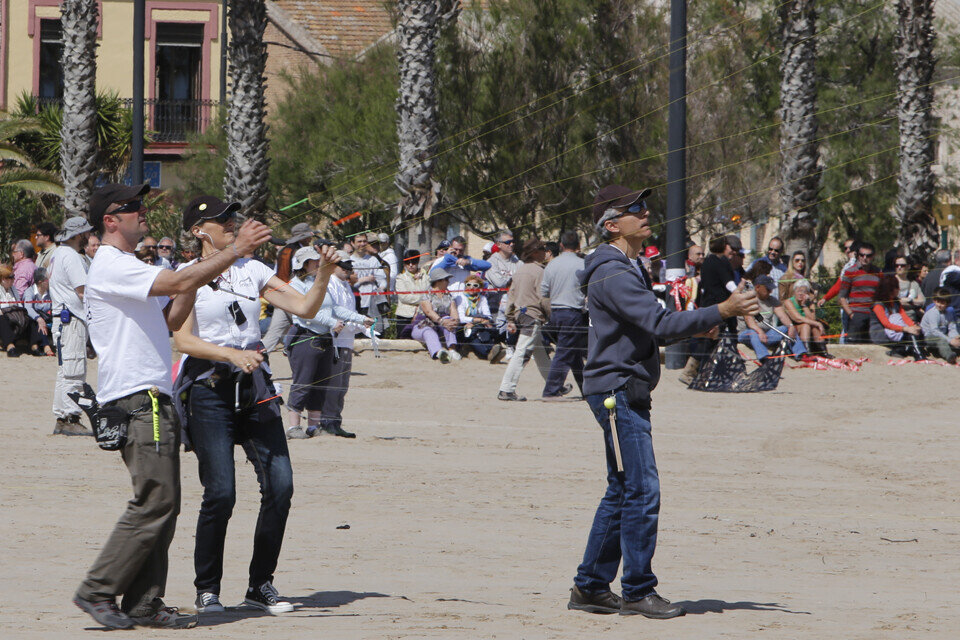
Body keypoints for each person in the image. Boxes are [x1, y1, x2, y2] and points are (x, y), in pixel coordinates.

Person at [73, 182, 271, 631]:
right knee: (155, 500)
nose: (143, 212)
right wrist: (229, 252)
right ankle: (98, 589)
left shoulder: (129, 265)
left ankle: (143, 602)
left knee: (165, 502)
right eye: (134, 207)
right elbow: (178, 282)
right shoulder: (111, 264)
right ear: (110, 220)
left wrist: (203, 269)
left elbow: (170, 319)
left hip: (152, 396)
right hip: (138, 397)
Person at [568, 184, 758, 619]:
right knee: (642, 489)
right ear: (611, 225)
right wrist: (722, 311)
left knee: (623, 489)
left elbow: (648, 326)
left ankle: (591, 587)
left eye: (645, 206)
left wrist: (701, 323)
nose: (647, 212)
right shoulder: (612, 269)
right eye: (635, 208)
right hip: (617, 391)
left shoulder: (624, 266)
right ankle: (636, 590)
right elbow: (656, 322)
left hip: (621, 388)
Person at [170, 198, 337, 616]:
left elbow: (304, 308)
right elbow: (182, 340)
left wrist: (324, 276)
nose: (231, 223)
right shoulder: (186, 276)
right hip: (209, 388)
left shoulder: (255, 270)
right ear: (198, 231)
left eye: (232, 218)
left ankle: (260, 585)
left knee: (281, 486)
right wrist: (229, 355)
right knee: (221, 493)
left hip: (256, 386)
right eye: (222, 220)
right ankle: (207, 589)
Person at [285, 248, 371, 439]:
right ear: (303, 264)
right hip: (304, 339)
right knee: (303, 383)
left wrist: (360, 318)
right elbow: (304, 311)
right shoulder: (295, 285)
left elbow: (334, 308)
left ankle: (313, 427)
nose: (318, 263)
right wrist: (331, 322)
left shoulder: (317, 283)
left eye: (318, 260)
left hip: (324, 340)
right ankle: (294, 427)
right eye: (313, 261)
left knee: (320, 385)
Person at [49, 217, 95, 436]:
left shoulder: (58, 254)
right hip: (72, 319)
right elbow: (82, 291)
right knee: (74, 370)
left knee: (65, 371)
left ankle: (61, 416)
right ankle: (71, 417)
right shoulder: (72, 257)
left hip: (62, 319)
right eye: (85, 233)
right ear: (78, 235)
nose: (88, 236)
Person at [497, 237, 554, 401]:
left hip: (520, 315)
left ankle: (554, 385)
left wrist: (509, 316)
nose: (546, 253)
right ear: (535, 253)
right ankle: (506, 389)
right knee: (521, 353)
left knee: (540, 351)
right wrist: (551, 314)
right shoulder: (540, 271)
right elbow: (544, 297)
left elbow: (511, 295)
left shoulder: (520, 270)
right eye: (543, 249)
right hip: (532, 316)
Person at [682, 235, 736, 384]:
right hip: (718, 307)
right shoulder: (716, 262)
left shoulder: (709, 262)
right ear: (724, 246)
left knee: (713, 340)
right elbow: (729, 284)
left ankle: (714, 372)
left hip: (711, 306)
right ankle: (690, 372)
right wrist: (740, 294)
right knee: (710, 340)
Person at [540, 230, 586, 400]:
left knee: (573, 353)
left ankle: (587, 390)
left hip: (555, 312)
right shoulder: (583, 264)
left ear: (561, 245)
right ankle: (551, 390)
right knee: (565, 352)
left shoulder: (552, 264)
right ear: (579, 246)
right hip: (573, 312)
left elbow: (544, 291)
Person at [260, 222, 316, 352]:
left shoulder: (285, 251)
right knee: (308, 325)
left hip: (282, 295)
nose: (310, 238)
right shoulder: (299, 252)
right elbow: (299, 275)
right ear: (302, 237)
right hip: (292, 296)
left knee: (274, 333)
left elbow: (276, 273)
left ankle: (258, 355)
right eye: (308, 236)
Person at [737, 275, 807, 361]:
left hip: (766, 334)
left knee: (787, 328)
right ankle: (764, 357)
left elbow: (782, 315)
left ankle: (800, 353)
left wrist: (791, 326)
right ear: (758, 287)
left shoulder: (772, 300)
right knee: (753, 333)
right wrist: (760, 332)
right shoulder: (748, 300)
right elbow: (749, 321)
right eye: (768, 289)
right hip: (747, 333)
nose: (770, 291)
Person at [412, 268, 460, 362]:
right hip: (423, 325)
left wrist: (455, 321)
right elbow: (429, 312)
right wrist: (442, 321)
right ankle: (439, 352)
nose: (448, 282)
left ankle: (452, 349)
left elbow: (453, 310)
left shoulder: (448, 295)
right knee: (428, 331)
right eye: (446, 279)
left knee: (449, 320)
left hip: (440, 327)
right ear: (438, 281)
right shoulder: (427, 294)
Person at [869, 274, 923, 357]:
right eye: (896, 287)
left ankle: (910, 351)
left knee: (916, 333)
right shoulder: (878, 305)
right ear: (889, 290)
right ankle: (915, 354)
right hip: (881, 333)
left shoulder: (896, 302)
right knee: (908, 335)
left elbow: (904, 317)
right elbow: (886, 324)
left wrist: (913, 326)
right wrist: (906, 329)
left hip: (896, 330)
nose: (899, 289)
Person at [838, 241, 881, 343]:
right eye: (862, 255)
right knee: (854, 347)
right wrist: (851, 314)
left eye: (868, 255)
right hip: (856, 314)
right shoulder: (850, 272)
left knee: (873, 348)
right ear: (858, 255)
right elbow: (841, 297)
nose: (865, 258)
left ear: (873, 256)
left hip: (873, 315)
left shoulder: (878, 272)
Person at [1, 265, 47, 357]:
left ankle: (34, 346)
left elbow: (19, 305)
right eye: (10, 277)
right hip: (5, 316)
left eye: (13, 276)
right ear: (2, 279)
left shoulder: (13, 289)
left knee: (30, 319)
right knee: (1, 319)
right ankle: (10, 347)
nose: (13, 279)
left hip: (13, 315)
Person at [455, 274, 498, 359]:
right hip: (463, 325)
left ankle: (492, 350)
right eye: (469, 285)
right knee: (472, 333)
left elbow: (488, 315)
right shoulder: (460, 298)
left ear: (479, 287)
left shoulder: (482, 298)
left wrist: (478, 321)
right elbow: (461, 317)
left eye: (475, 285)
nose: (472, 287)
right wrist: (476, 320)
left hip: (479, 324)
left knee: (486, 329)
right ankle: (487, 353)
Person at [784, 282, 830, 356]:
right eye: (798, 291)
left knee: (814, 327)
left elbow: (812, 319)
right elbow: (797, 318)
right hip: (792, 328)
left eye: (803, 292)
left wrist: (804, 305)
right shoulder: (788, 302)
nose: (800, 294)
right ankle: (806, 352)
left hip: (805, 329)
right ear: (794, 292)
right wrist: (818, 323)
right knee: (806, 325)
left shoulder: (809, 304)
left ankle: (823, 352)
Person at [351, 232, 388, 319]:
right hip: (356, 303)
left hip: (373, 303)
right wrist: (364, 279)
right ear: (352, 243)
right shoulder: (349, 261)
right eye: (359, 242)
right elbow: (348, 283)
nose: (362, 244)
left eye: (364, 241)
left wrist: (381, 288)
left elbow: (382, 279)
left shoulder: (373, 260)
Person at [395, 249, 430, 338]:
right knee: (403, 341)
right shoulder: (400, 278)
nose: (410, 265)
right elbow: (404, 297)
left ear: (418, 262)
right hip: (404, 315)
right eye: (407, 262)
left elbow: (428, 294)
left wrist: (418, 281)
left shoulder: (426, 277)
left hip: (422, 314)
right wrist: (422, 299)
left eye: (413, 262)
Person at [921, 288, 960, 363]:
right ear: (934, 301)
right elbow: (934, 331)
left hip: (943, 335)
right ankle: (949, 356)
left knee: (955, 339)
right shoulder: (933, 313)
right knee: (941, 340)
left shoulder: (949, 313)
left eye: (942, 303)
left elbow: (952, 327)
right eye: (938, 302)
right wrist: (950, 340)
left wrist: (955, 337)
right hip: (930, 337)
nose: (939, 305)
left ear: (947, 303)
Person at [23, 267, 55, 356]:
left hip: (47, 318)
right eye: (48, 279)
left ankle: (36, 346)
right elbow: (28, 308)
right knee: (36, 323)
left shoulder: (50, 292)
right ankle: (46, 346)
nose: (50, 281)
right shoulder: (30, 292)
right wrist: (39, 318)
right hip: (33, 319)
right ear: (40, 282)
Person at [486, 231, 520, 311]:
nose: (511, 244)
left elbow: (524, 282)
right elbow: (499, 283)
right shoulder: (491, 262)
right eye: (508, 242)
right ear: (498, 244)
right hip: (496, 307)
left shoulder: (518, 262)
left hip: (515, 307)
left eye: (513, 242)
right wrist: (516, 280)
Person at [893, 256, 924, 320]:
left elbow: (922, 301)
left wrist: (910, 300)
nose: (899, 267)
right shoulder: (891, 282)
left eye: (902, 265)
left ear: (908, 266)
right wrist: (914, 304)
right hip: (897, 320)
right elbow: (895, 302)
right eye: (896, 265)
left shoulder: (914, 283)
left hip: (912, 319)